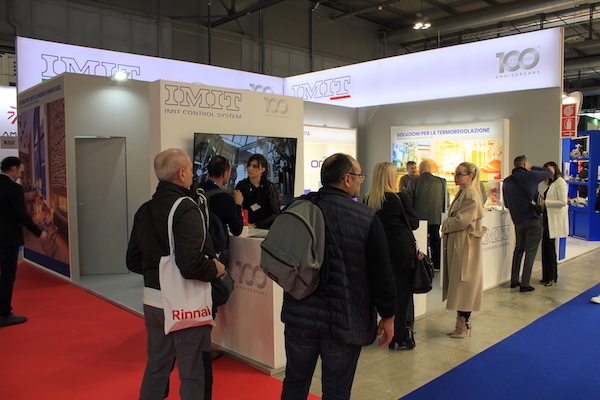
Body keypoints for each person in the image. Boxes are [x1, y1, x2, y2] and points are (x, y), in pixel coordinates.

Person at [280, 153, 396, 400]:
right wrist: (388, 316)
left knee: (295, 383)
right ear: (347, 179)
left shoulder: (298, 209)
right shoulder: (366, 218)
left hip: (300, 316)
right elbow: (381, 275)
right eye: (359, 176)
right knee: (337, 391)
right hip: (345, 320)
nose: (361, 181)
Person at [126, 149, 226, 400]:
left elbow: (133, 261)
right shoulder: (186, 208)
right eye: (191, 170)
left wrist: (157, 272)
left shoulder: (145, 210)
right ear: (182, 173)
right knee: (194, 372)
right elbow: (190, 264)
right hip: (186, 303)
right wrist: (216, 269)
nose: (192, 175)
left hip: (153, 301)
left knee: (157, 365)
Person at [364, 161, 419, 349]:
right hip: (401, 253)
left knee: (381, 292)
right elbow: (414, 223)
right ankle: (400, 336)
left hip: (378, 254)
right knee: (403, 296)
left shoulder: (368, 200)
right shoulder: (398, 198)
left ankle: (378, 329)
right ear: (391, 177)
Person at [0, 157, 47, 328]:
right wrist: (38, 232)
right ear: (13, 168)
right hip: (7, 239)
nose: (20, 174)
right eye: (20, 171)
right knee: (7, 275)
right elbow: (21, 215)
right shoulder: (13, 188)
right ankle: (4, 314)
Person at [441, 162, 486, 338]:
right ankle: (461, 322)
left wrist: (446, 224)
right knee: (460, 283)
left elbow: (462, 220)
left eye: (460, 174)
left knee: (464, 283)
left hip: (465, 244)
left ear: (470, 176)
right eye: (455, 173)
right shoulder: (464, 192)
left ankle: (463, 323)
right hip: (460, 243)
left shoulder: (471, 194)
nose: (456, 177)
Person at [503, 155, 552, 292]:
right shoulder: (530, 176)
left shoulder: (507, 181)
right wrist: (532, 167)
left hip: (518, 220)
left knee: (518, 250)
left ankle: (514, 280)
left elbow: (506, 204)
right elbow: (548, 172)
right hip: (533, 218)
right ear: (525, 165)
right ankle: (525, 284)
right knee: (530, 252)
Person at [196, 155, 244, 266]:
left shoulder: (194, 190)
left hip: (195, 247)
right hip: (215, 251)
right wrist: (238, 205)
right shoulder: (225, 198)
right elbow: (237, 230)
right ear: (225, 174)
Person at [406, 160, 446, 270]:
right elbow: (445, 200)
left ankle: (422, 265)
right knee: (435, 239)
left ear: (420, 169)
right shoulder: (441, 182)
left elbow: (409, 202)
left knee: (420, 242)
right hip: (436, 216)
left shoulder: (413, 182)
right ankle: (437, 264)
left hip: (419, 219)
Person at [539, 161, 568, 287]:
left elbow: (562, 202)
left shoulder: (560, 182)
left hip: (553, 219)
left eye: (550, 169)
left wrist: (545, 202)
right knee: (547, 247)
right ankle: (548, 276)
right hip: (547, 218)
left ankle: (550, 277)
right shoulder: (551, 183)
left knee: (549, 247)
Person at [235, 154, 280, 228]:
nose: (250, 168)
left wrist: (257, 225)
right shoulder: (241, 186)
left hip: (265, 227)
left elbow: (276, 212)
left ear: (262, 169)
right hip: (245, 226)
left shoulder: (269, 187)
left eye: (254, 166)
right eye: (249, 165)